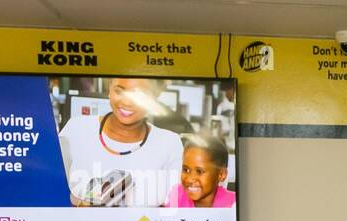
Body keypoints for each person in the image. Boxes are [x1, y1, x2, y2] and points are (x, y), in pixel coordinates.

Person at [57, 77, 182, 208]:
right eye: (119, 91)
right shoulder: (76, 128)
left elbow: (175, 211)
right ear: (109, 88)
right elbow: (51, 188)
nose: (127, 102)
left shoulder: (170, 143)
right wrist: (82, 205)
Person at [165, 134, 236, 208]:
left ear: (221, 175)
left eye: (199, 171)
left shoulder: (234, 204)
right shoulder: (177, 196)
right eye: (186, 170)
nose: (189, 179)